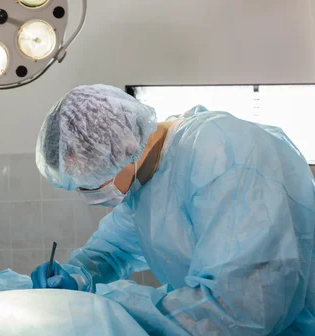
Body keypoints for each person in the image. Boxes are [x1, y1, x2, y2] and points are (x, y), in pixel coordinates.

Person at [31, 84, 315, 335]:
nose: (87, 195)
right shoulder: (147, 182)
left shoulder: (221, 154)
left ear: (121, 151)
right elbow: (111, 251)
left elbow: (243, 308)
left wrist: (109, 308)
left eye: (90, 182)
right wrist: (76, 277)